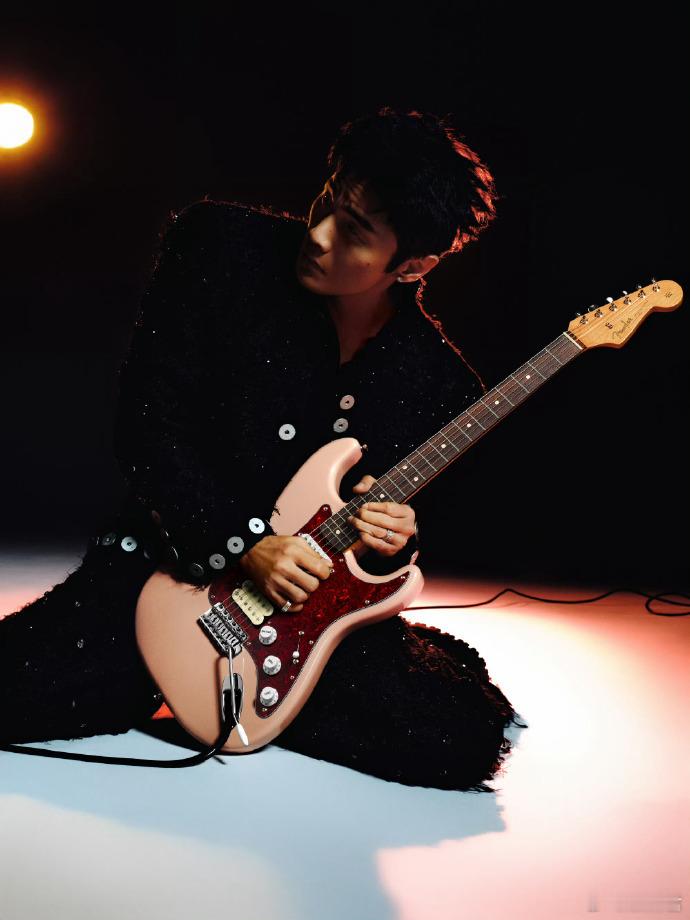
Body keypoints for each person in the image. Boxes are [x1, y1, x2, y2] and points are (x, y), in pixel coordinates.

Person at [0, 106, 526, 791]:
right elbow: (149, 425)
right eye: (328, 199)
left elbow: (366, 548)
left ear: (414, 265)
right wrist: (245, 543)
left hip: (300, 615)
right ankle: (168, 679)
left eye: (354, 231)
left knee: (457, 741)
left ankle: (291, 688)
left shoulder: (436, 381)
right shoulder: (219, 247)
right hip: (169, 567)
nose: (320, 233)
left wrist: (390, 538)